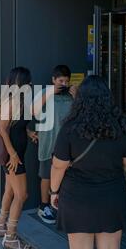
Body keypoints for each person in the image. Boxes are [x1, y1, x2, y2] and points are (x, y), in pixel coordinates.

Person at [50, 75, 126, 249]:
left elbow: (58, 166)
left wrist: (54, 192)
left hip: (77, 196)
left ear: (81, 100)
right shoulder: (123, 126)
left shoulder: (70, 128)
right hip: (112, 195)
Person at [0, 67, 38, 249]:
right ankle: (10, 237)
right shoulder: (11, 101)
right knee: (22, 195)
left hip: (15, 154)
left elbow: (15, 126)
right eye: (28, 82)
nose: (30, 84)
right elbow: (1, 128)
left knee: (10, 191)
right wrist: (13, 153)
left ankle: (1, 226)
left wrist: (29, 133)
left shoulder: (20, 101)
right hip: (13, 157)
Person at [34, 65, 76, 224]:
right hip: (49, 141)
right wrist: (51, 91)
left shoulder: (72, 96)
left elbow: (82, 114)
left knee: (66, 177)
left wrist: (77, 96)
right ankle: (43, 206)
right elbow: (34, 110)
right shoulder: (45, 93)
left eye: (66, 81)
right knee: (46, 175)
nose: (64, 84)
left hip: (68, 144)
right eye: (60, 80)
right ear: (53, 80)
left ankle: (62, 206)